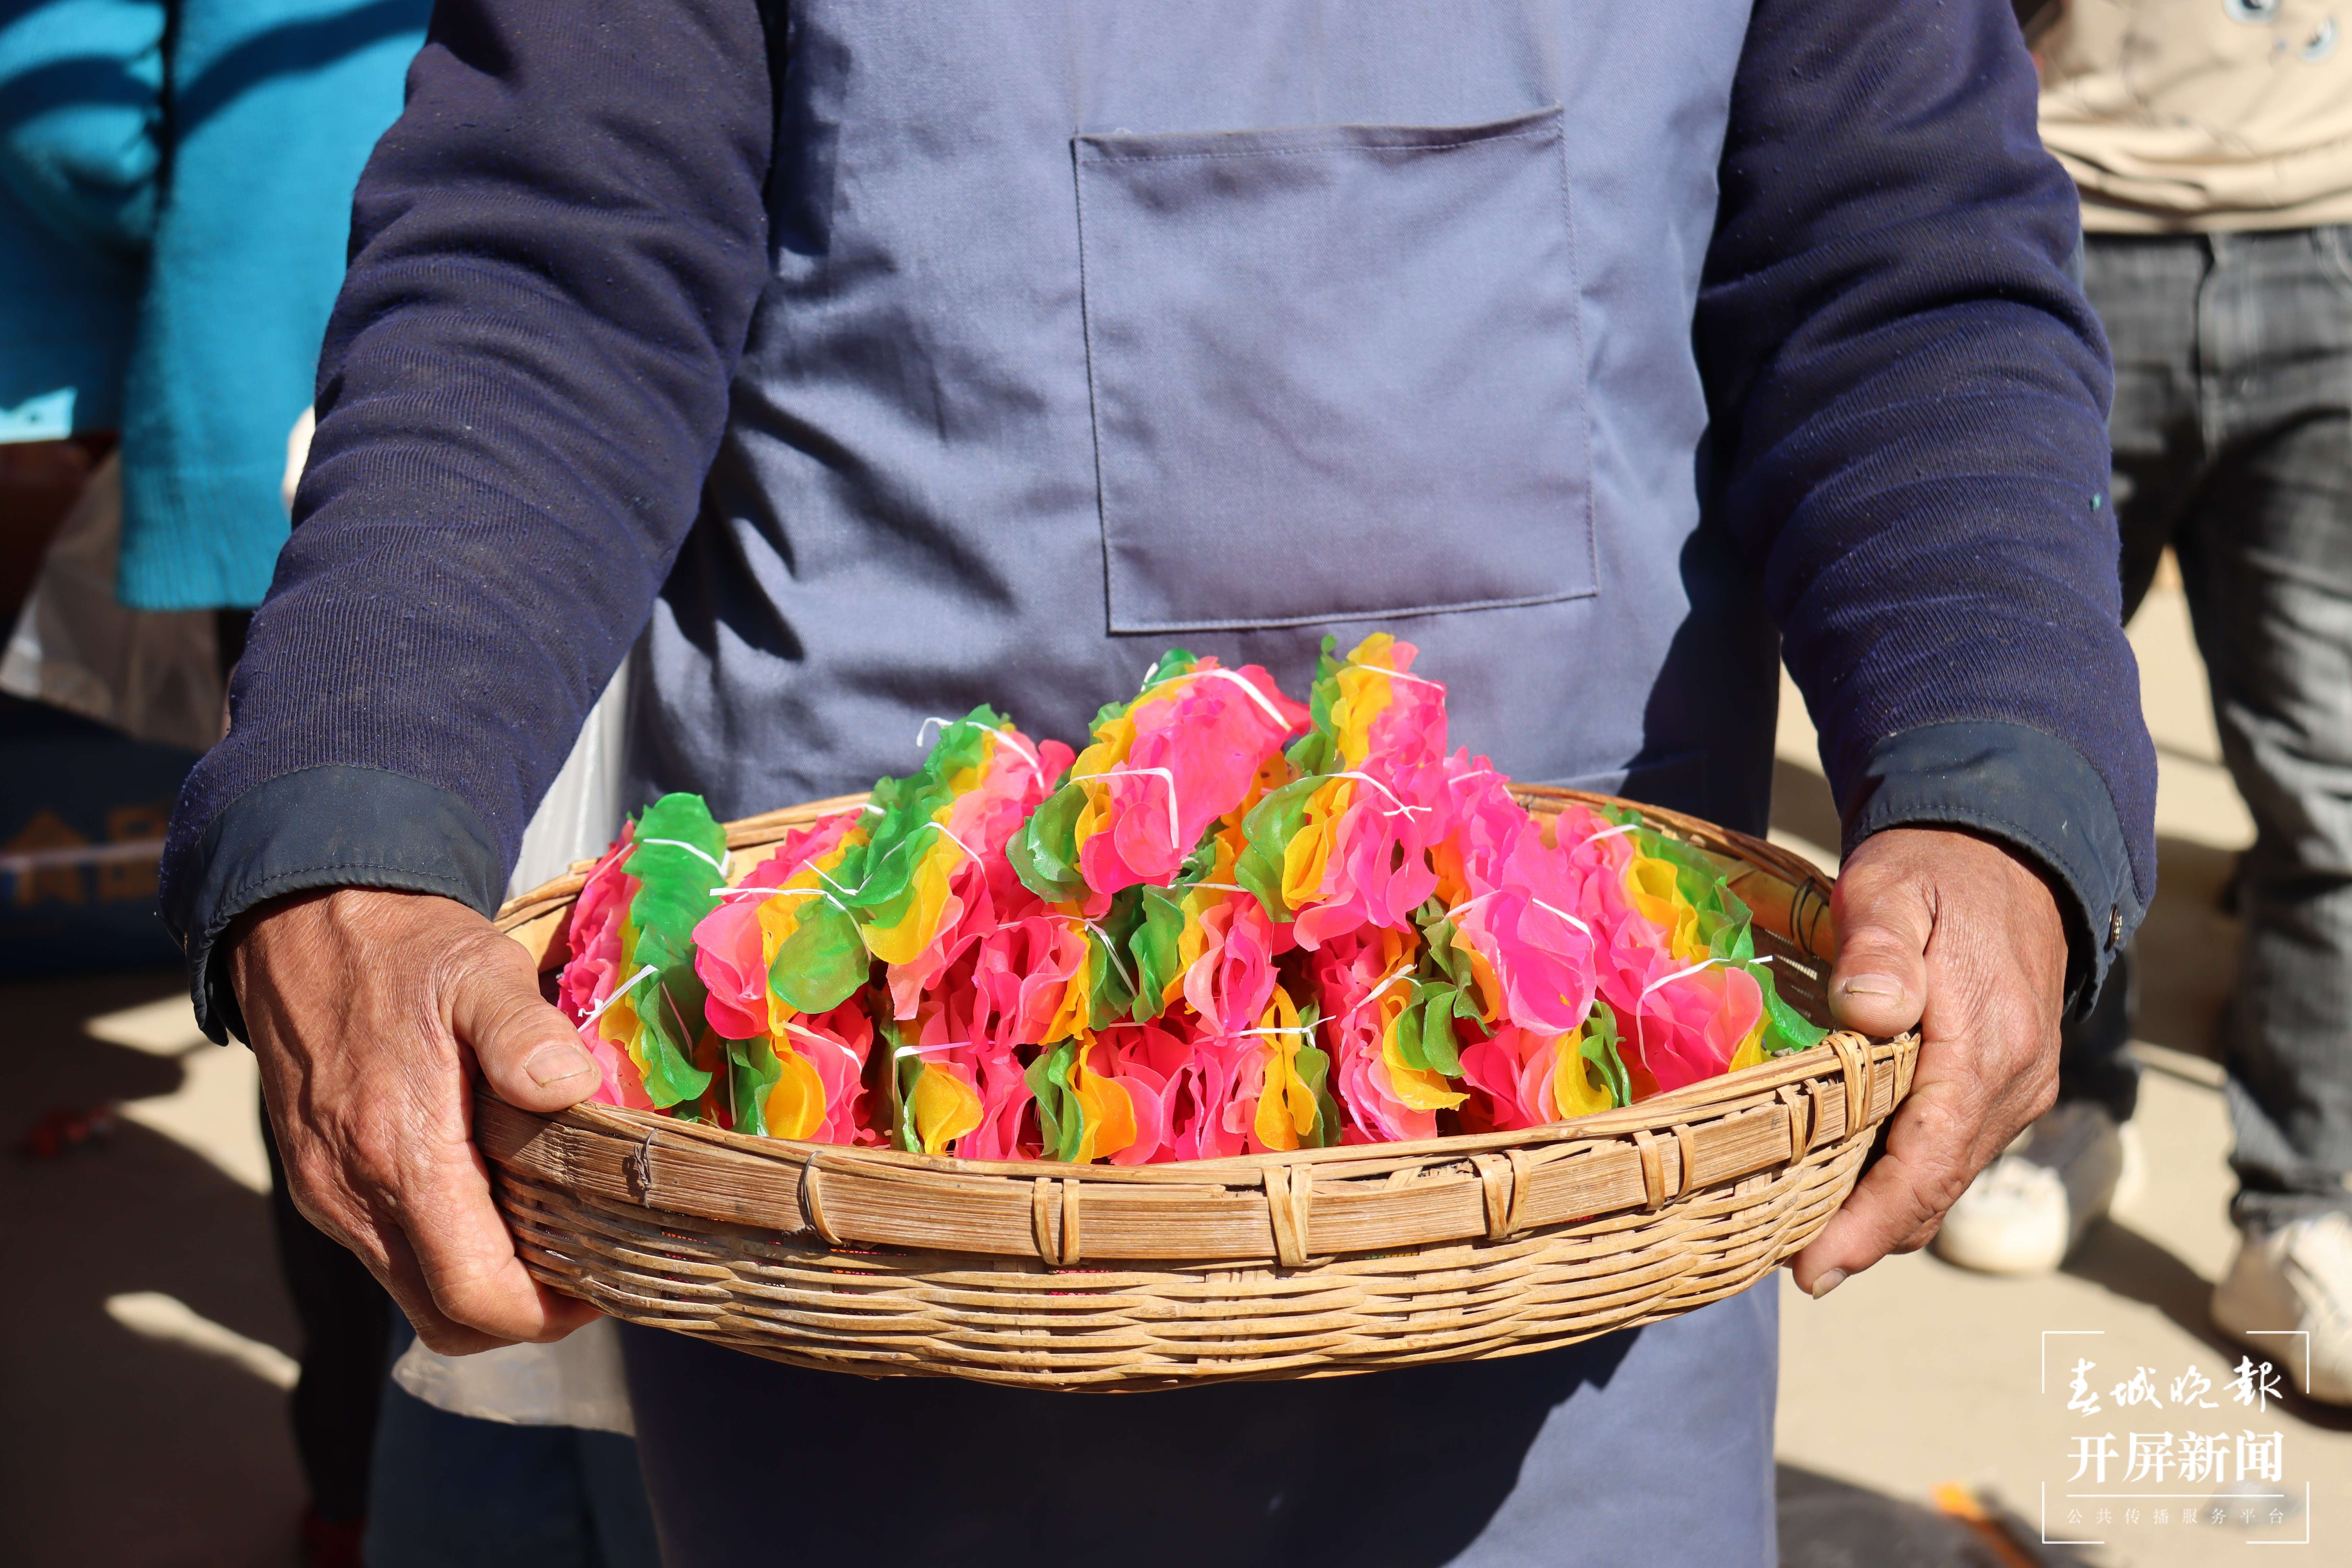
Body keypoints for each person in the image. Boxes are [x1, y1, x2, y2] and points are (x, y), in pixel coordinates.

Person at [158, 0, 2156, 1561]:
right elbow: (551, 270)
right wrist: (355, 812)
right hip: (882, 1170)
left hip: (1555, 1157)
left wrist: (2004, 777)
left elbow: (1899, 266)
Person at [1935, 0, 2352, 1401]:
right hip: (2066, 215)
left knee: (2333, 774)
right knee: (2047, 742)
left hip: (2332, 228)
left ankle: (2310, 1197)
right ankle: (2065, 1110)